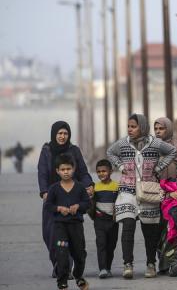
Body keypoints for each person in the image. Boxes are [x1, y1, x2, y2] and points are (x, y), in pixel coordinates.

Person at [107, 114, 177, 279]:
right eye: (129, 126)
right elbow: (110, 152)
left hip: (148, 191)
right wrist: (120, 165)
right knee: (128, 226)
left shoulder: (154, 143)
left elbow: (172, 151)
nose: (130, 129)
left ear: (143, 127)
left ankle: (151, 263)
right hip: (127, 191)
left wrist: (159, 167)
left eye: (133, 126)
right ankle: (127, 264)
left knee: (149, 231)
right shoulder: (123, 143)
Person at [38, 121, 93, 277]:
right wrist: (44, 192)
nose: (62, 136)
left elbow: (82, 171)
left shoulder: (74, 151)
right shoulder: (46, 151)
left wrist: (89, 185)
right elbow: (42, 172)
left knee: (70, 234)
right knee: (49, 234)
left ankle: (65, 267)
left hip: (72, 196)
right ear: (54, 134)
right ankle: (58, 263)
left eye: (65, 133)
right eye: (60, 133)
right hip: (52, 197)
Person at [44, 154, 90, 290]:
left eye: (68, 169)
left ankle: (78, 276)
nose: (66, 172)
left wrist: (78, 207)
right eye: (63, 169)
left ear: (73, 169)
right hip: (60, 227)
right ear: (57, 171)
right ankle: (62, 281)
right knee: (62, 253)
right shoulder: (54, 188)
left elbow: (87, 203)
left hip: (76, 227)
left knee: (80, 254)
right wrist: (58, 208)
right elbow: (48, 206)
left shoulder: (80, 187)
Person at [153, 117, 177, 276]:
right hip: (155, 195)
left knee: (172, 230)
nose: (158, 132)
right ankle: (163, 262)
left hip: (173, 195)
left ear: (169, 129)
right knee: (158, 231)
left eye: (162, 128)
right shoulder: (150, 148)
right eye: (156, 129)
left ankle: (174, 263)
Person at [92, 159, 119, 278]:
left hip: (113, 221)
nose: (101, 173)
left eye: (104, 171)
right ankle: (102, 268)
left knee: (111, 245)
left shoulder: (116, 186)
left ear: (111, 171)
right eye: (99, 171)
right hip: (99, 220)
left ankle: (108, 267)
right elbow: (91, 203)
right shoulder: (95, 187)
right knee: (101, 243)